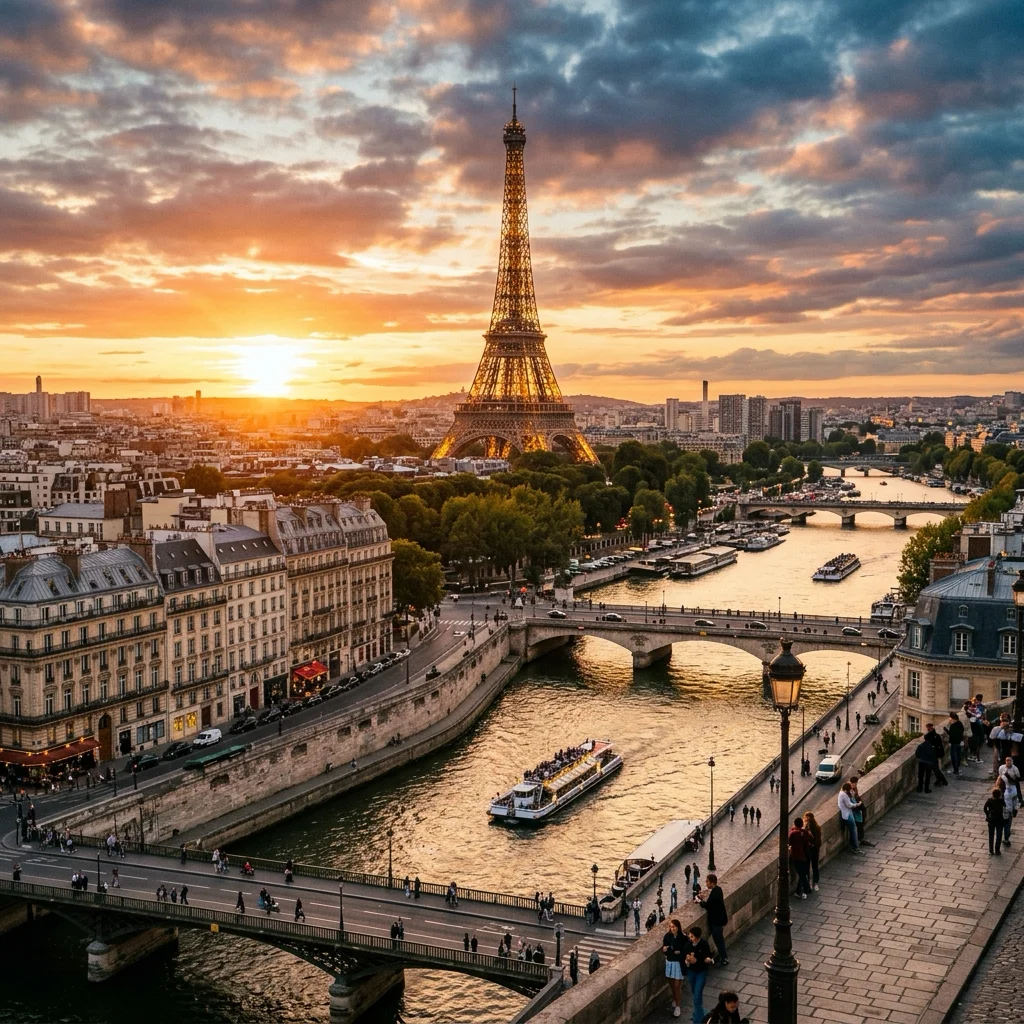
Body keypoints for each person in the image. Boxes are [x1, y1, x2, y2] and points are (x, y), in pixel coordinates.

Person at [683, 925, 714, 1024]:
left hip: (701, 972)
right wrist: (688, 961)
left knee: (697, 996)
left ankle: (699, 1021)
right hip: (691, 972)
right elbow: (685, 958)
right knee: (695, 993)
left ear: (697, 937)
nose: (690, 938)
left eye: (692, 936)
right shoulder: (688, 945)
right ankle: (698, 1012)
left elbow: (708, 956)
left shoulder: (704, 944)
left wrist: (697, 961)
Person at [698, 873, 728, 965]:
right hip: (720, 920)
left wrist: (700, 901)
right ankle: (723, 956)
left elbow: (708, 906)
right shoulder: (718, 889)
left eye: (707, 881)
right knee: (720, 940)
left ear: (712, 883)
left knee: (718, 941)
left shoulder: (714, 894)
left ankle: (724, 959)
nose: (706, 883)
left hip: (716, 922)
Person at [662, 919, 686, 1018]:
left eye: (674, 927)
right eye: (671, 927)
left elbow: (686, 950)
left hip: (678, 963)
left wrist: (680, 952)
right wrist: (664, 949)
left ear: (678, 927)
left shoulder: (683, 937)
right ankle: (675, 999)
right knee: (672, 985)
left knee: (677, 986)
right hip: (670, 962)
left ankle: (678, 1006)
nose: (672, 929)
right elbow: (664, 950)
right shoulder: (667, 936)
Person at [788, 818, 812, 899]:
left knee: (801, 874)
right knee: (804, 873)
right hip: (806, 856)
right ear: (802, 824)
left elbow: (789, 843)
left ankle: (806, 888)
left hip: (796, 856)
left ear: (795, 824)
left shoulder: (793, 834)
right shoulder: (806, 833)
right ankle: (801, 891)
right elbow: (810, 839)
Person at [838, 783, 863, 854]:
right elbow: (849, 805)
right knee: (854, 831)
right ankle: (855, 848)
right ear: (846, 790)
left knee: (852, 831)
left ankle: (853, 846)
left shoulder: (841, 793)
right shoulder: (844, 795)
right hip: (847, 815)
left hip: (846, 814)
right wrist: (857, 804)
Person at [803, 810, 822, 890]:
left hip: (809, 850)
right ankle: (815, 883)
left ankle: (808, 884)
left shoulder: (806, 829)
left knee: (807, 867)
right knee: (815, 866)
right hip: (814, 849)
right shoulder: (817, 827)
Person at [985, 787, 1005, 855]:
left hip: (991, 819)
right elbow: (1005, 807)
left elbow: (985, 808)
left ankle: (991, 850)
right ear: (1000, 795)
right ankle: (997, 850)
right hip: (999, 819)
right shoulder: (1001, 801)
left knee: (991, 835)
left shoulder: (990, 800)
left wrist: (987, 814)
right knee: (999, 835)